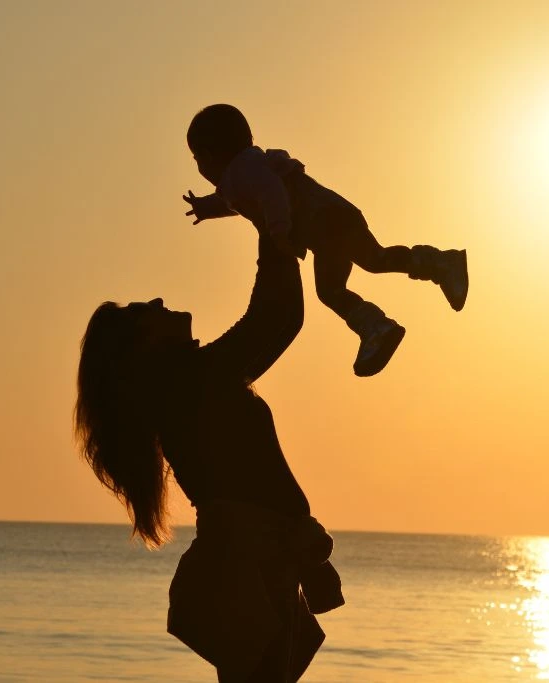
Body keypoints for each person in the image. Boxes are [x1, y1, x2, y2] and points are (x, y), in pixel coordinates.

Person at [74, 236, 343, 682]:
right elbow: (273, 318)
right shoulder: (190, 381)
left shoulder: (196, 380)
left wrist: (276, 228)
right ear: (141, 348)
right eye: (144, 311)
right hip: (247, 563)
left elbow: (283, 321)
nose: (159, 300)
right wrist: (269, 220)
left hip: (260, 560)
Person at [182, 103, 469, 377]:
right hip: (332, 219)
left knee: (336, 286)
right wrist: (205, 208)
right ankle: (435, 268)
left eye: (197, 160)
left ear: (208, 155)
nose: (199, 168)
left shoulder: (242, 171)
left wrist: (279, 230)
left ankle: (379, 325)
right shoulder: (248, 168)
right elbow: (233, 200)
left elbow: (270, 192)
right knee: (372, 261)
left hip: (323, 223)